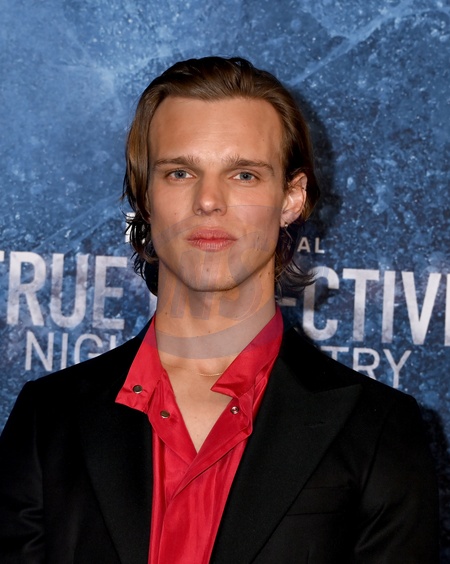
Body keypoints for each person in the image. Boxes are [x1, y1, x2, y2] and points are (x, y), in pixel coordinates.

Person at [0, 56, 439, 563]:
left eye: (244, 174)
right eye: (180, 172)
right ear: (145, 195)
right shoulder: (47, 420)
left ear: (292, 198)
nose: (208, 200)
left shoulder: (379, 432)